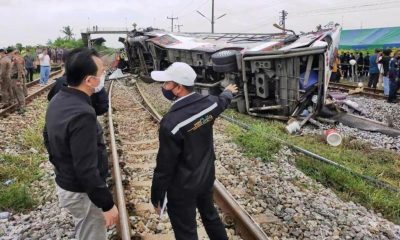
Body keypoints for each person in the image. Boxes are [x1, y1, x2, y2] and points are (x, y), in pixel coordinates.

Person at [150, 62, 238, 240]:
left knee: (186, 231)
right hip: (205, 177)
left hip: (182, 187)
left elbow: (165, 166)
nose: (163, 87)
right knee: (210, 216)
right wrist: (228, 91)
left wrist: (156, 195)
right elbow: (222, 101)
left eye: (166, 83)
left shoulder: (171, 123)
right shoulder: (209, 105)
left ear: (178, 88)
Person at [44, 48, 118, 239]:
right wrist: (107, 204)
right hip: (81, 192)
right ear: (89, 80)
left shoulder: (59, 98)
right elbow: (86, 168)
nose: (103, 75)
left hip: (66, 181)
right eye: (101, 72)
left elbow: (47, 137)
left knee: (84, 229)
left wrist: (61, 167)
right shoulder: (83, 113)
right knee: (91, 234)